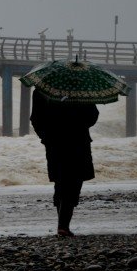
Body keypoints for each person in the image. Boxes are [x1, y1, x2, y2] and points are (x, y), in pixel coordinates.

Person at [29, 89, 99, 237]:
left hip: (54, 144)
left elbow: (35, 119)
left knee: (60, 182)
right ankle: (63, 225)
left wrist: (45, 137)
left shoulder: (41, 91)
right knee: (74, 182)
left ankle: (62, 225)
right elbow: (92, 117)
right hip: (78, 143)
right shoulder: (82, 91)